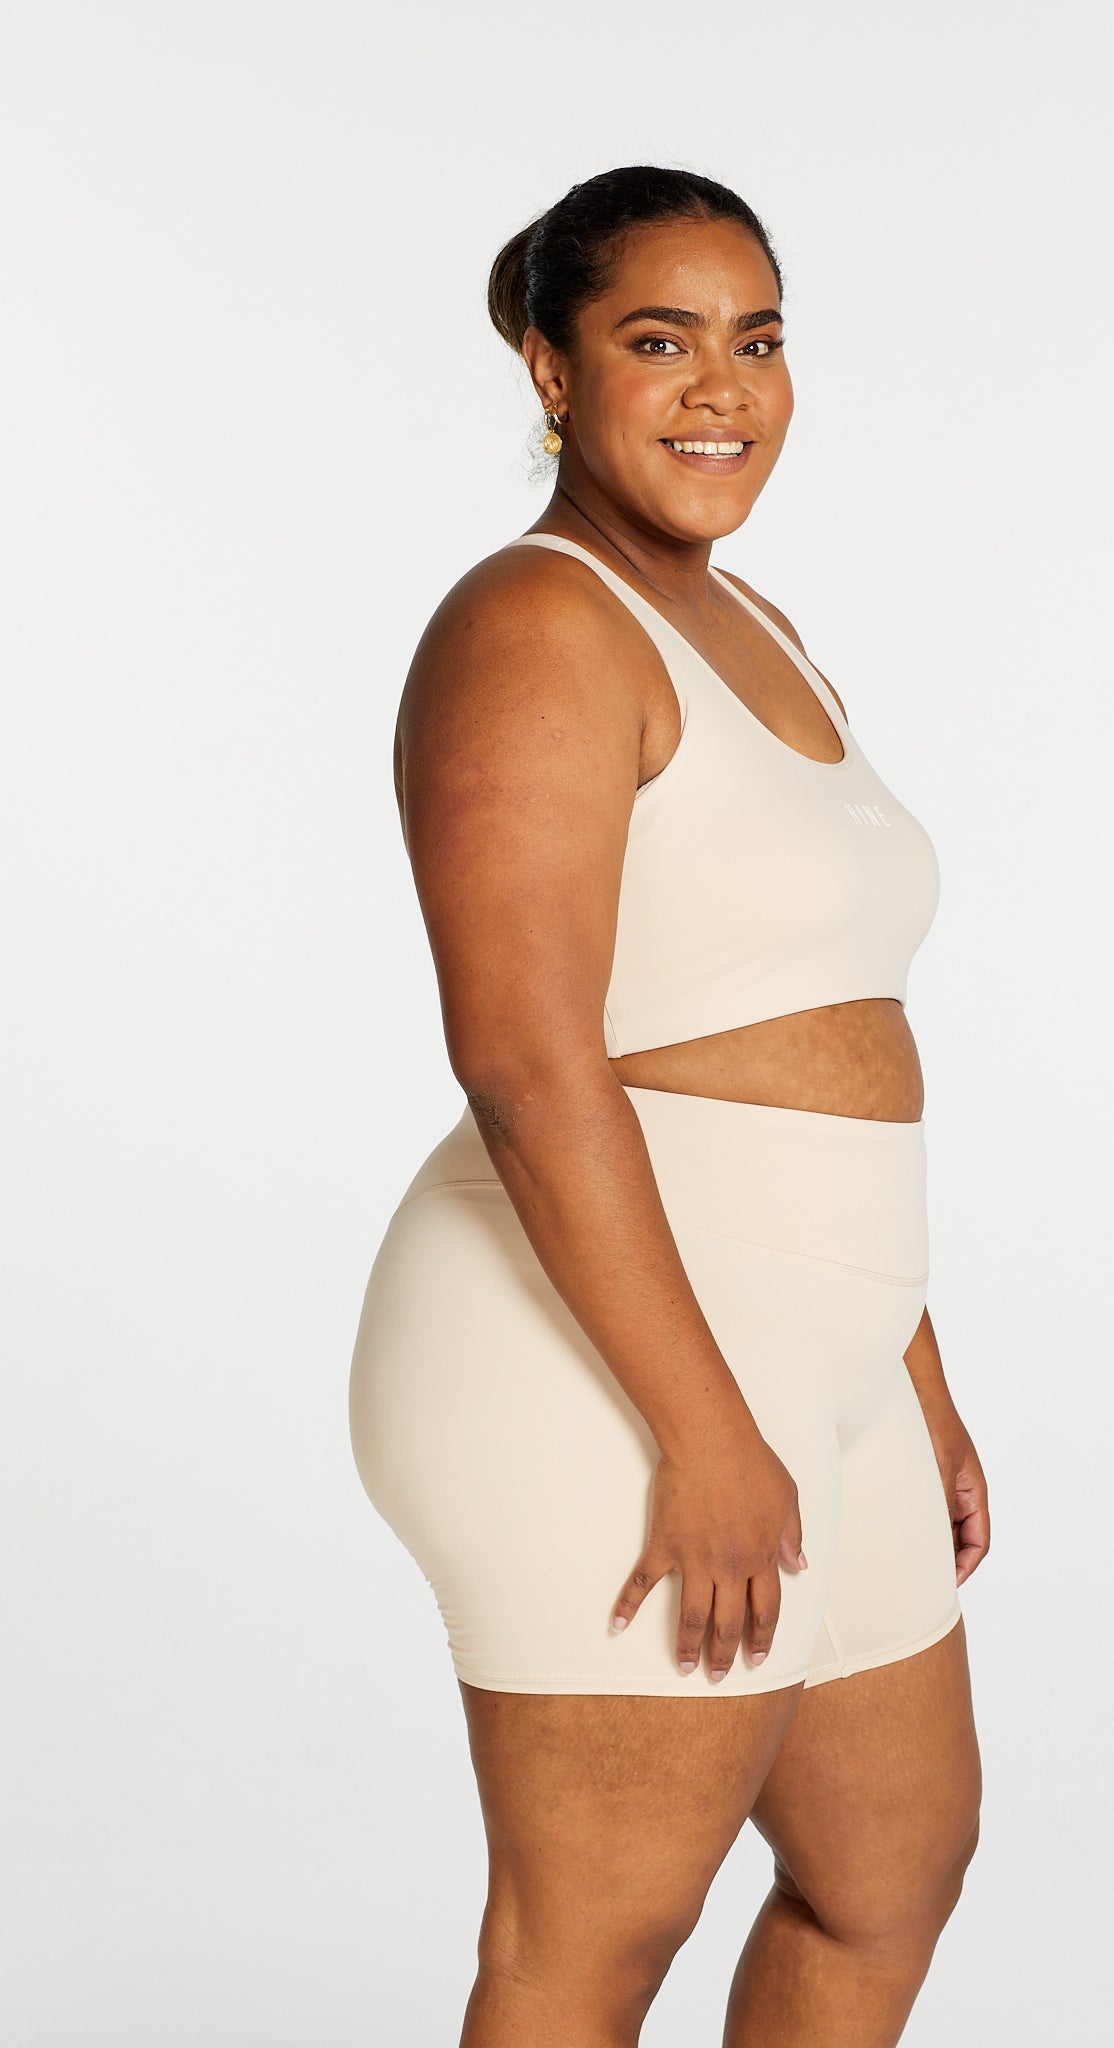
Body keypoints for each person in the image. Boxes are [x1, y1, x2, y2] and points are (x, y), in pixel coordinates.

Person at [349, 163, 990, 2048]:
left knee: (886, 1872)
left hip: (815, 1353)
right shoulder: (533, 625)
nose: (723, 387)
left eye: (756, 341)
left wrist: (908, 1366)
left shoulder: (750, 620)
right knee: (592, 1939)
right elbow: (521, 1057)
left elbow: (829, 1020)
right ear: (551, 372)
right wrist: (702, 1427)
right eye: (659, 340)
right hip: (605, 1358)